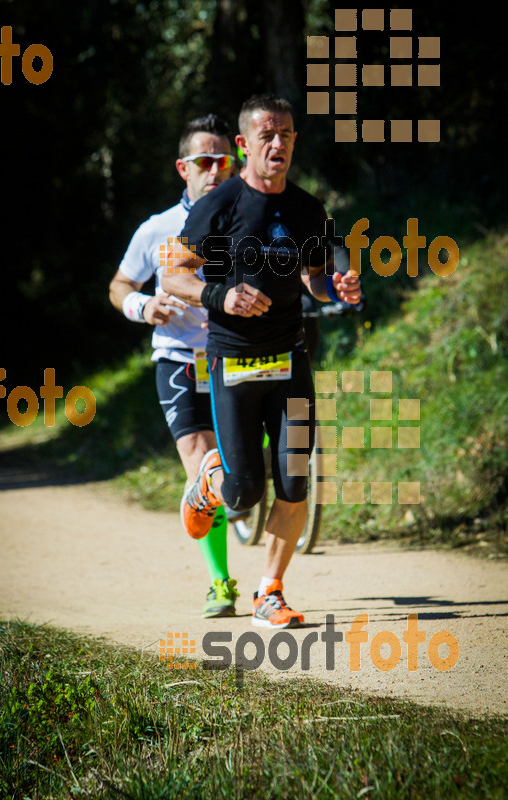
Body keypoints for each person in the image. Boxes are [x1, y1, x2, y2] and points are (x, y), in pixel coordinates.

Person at [162, 94, 362, 629]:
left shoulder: (306, 209)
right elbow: (174, 274)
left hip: (290, 360)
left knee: (295, 480)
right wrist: (218, 296)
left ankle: (269, 592)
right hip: (233, 364)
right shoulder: (220, 205)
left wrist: (336, 287)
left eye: (288, 135)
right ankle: (207, 487)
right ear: (244, 145)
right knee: (243, 492)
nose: (278, 144)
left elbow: (316, 277)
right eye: (267, 136)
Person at [109, 114, 240, 618]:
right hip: (180, 359)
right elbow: (119, 285)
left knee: (236, 464)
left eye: (223, 160)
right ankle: (221, 582)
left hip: (240, 358)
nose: (214, 170)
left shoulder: (246, 218)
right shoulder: (157, 229)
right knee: (202, 465)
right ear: (183, 168)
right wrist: (142, 307)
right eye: (204, 161)